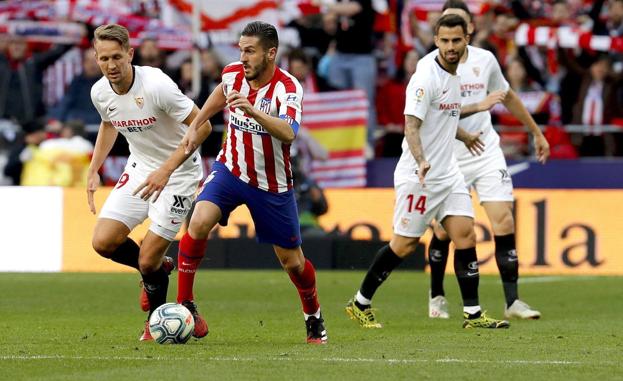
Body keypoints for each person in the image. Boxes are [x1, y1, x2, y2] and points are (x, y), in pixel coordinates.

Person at [345, 14, 510, 329]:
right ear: (435, 41)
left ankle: (473, 314)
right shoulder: (425, 78)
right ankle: (360, 302)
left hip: (448, 175)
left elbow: (445, 116)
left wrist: (465, 135)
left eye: (456, 41)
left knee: (465, 234)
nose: (450, 47)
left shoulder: (455, 76)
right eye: (444, 41)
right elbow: (412, 125)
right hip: (418, 176)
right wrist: (420, 160)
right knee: (404, 245)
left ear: (465, 41)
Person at [176, 21, 328, 344]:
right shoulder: (233, 73)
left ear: (271, 53)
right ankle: (185, 304)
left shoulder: (288, 88)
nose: (242, 58)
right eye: (240, 50)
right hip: (231, 168)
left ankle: (313, 314)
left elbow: (289, 132)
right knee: (199, 220)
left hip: (270, 183)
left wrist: (253, 111)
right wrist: (197, 123)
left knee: (293, 262)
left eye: (250, 51)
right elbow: (221, 92)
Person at [425, 1, 550, 321]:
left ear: (469, 31)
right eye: (446, 31)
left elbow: (507, 97)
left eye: (459, 30)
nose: (452, 37)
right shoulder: (429, 67)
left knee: (504, 220)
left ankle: (512, 301)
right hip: (448, 156)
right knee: (444, 232)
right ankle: (437, 294)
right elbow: (429, 116)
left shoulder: (486, 60)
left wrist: (536, 132)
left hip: (486, 150)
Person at [86, 24, 212, 341]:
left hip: (180, 172)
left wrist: (167, 170)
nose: (111, 66)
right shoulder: (99, 91)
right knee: (103, 242)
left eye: (117, 57)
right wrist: (93, 167)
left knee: (147, 258)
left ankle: (155, 323)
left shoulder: (156, 85)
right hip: (142, 167)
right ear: (96, 57)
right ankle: (154, 272)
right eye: (104, 59)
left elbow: (204, 126)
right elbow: (108, 123)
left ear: (131, 53)